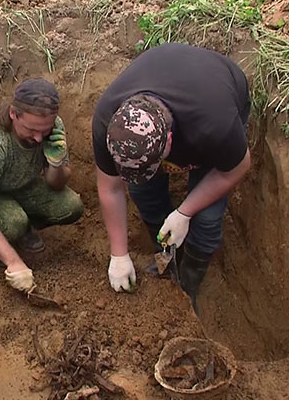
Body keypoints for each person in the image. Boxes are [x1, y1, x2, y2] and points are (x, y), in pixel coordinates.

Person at [91, 43, 251, 311]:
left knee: (208, 218)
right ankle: (167, 254)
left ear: (169, 142)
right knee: (143, 191)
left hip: (216, 90)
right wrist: (118, 254)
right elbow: (111, 188)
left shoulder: (214, 124)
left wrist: (185, 212)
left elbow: (236, 167)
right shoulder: (110, 125)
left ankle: (188, 282)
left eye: (155, 166)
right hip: (170, 78)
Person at [0, 77, 83, 294]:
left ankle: (22, 229)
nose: (39, 138)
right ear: (13, 114)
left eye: (44, 130)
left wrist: (56, 164)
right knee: (13, 222)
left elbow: (55, 184)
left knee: (71, 206)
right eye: (31, 130)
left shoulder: (53, 128)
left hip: (20, 184)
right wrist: (14, 263)